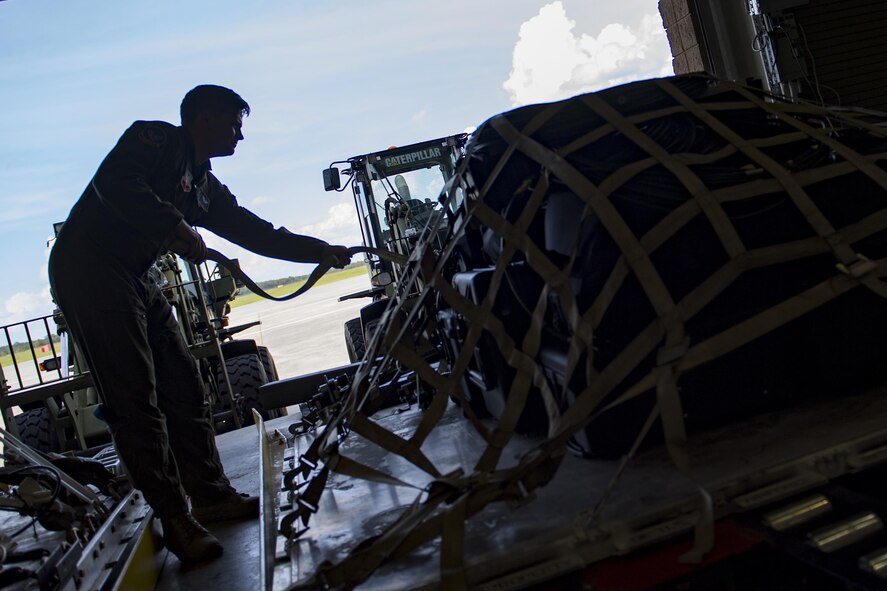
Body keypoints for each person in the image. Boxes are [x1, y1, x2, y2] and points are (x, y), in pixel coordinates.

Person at [48, 85, 351, 563]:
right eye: (235, 123)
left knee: (184, 381)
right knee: (135, 398)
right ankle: (175, 519)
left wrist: (318, 251)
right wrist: (176, 226)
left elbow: (254, 231)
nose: (241, 135)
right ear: (203, 119)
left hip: (132, 273)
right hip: (89, 268)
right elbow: (119, 185)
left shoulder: (203, 186)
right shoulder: (154, 142)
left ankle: (208, 496)